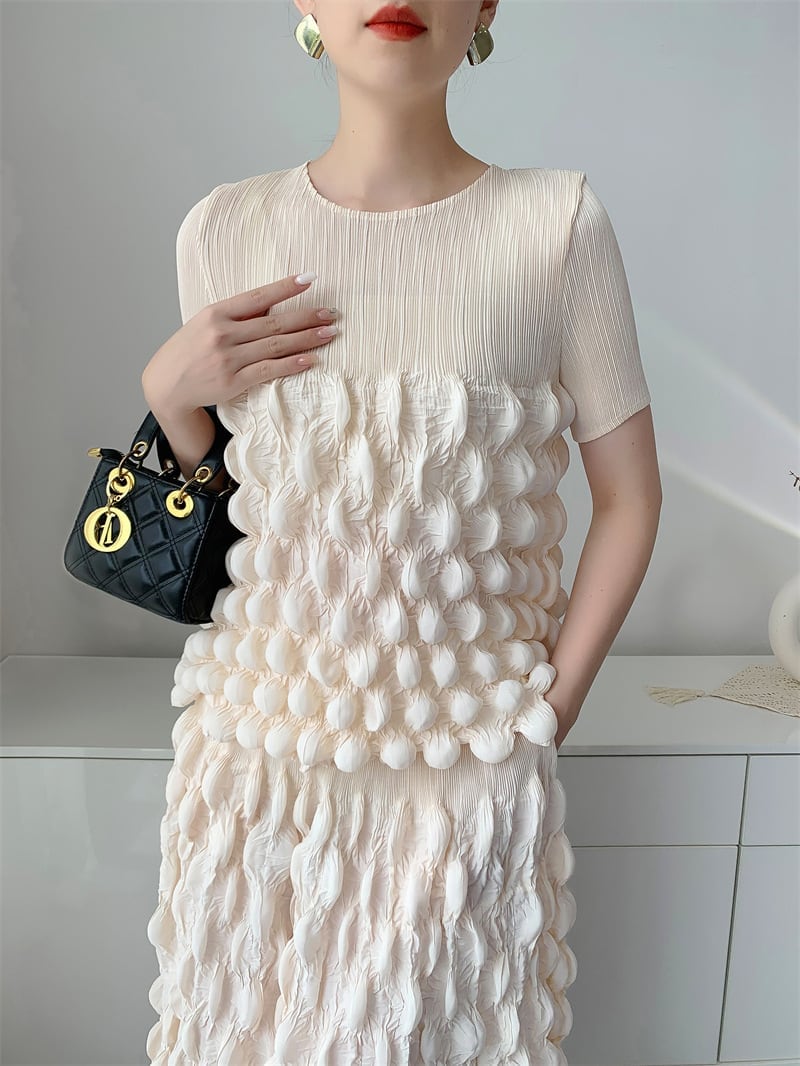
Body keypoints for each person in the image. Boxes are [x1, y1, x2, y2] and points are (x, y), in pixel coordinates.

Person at [142, 0, 662, 1062]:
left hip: (461, 772)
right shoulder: (223, 229)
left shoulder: (555, 225)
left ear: (485, 8)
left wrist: (544, 712)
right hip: (260, 774)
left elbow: (630, 497)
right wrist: (169, 396)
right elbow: (238, 506)